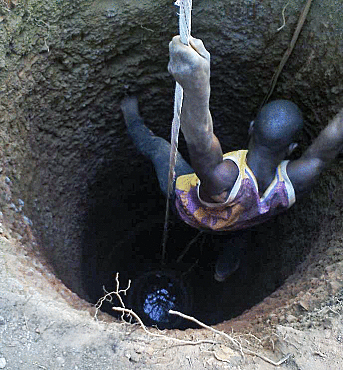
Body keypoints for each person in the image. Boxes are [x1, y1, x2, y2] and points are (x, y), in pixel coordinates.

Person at [121, 35, 343, 282]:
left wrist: (196, 86)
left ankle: (131, 116)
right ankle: (222, 272)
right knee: (243, 230)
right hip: (242, 221)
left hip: (188, 212)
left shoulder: (224, 178)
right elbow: (326, 148)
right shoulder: (297, 180)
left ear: (250, 128)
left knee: (159, 148)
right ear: (291, 148)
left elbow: (201, 140)